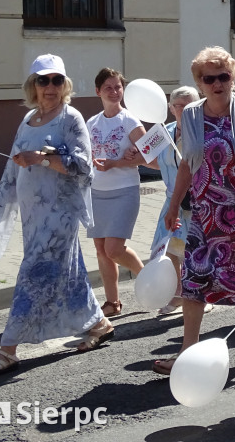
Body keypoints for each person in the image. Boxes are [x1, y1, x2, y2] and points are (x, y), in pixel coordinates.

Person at [0, 54, 113, 373]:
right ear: (32, 85)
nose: (50, 87)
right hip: (33, 217)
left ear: (65, 85)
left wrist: (44, 159)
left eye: (57, 80)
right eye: (43, 80)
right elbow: (11, 169)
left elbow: (84, 167)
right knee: (70, 272)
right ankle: (99, 323)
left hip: (60, 214)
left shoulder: (70, 118)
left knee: (33, 272)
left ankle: (8, 349)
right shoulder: (28, 120)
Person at [154, 47, 235, 374]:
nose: (218, 83)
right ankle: (186, 351)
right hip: (204, 213)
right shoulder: (191, 114)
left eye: (224, 76)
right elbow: (186, 164)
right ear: (200, 81)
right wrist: (174, 205)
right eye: (210, 78)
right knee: (194, 281)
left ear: (233, 78)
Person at [86, 68, 146, 317]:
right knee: (101, 250)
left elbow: (150, 158)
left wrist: (119, 162)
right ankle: (112, 302)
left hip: (124, 191)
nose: (114, 92)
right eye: (108, 87)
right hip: (96, 192)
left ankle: (147, 278)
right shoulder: (92, 122)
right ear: (98, 91)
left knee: (114, 248)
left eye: (118, 87)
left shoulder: (130, 121)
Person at [151, 86, 200, 317]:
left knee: (194, 249)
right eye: (178, 106)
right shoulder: (163, 132)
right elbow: (149, 158)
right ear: (171, 108)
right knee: (169, 247)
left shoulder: (201, 132)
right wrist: (121, 161)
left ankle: (200, 295)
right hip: (172, 200)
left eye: (188, 105)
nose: (182, 110)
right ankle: (178, 294)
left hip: (196, 201)